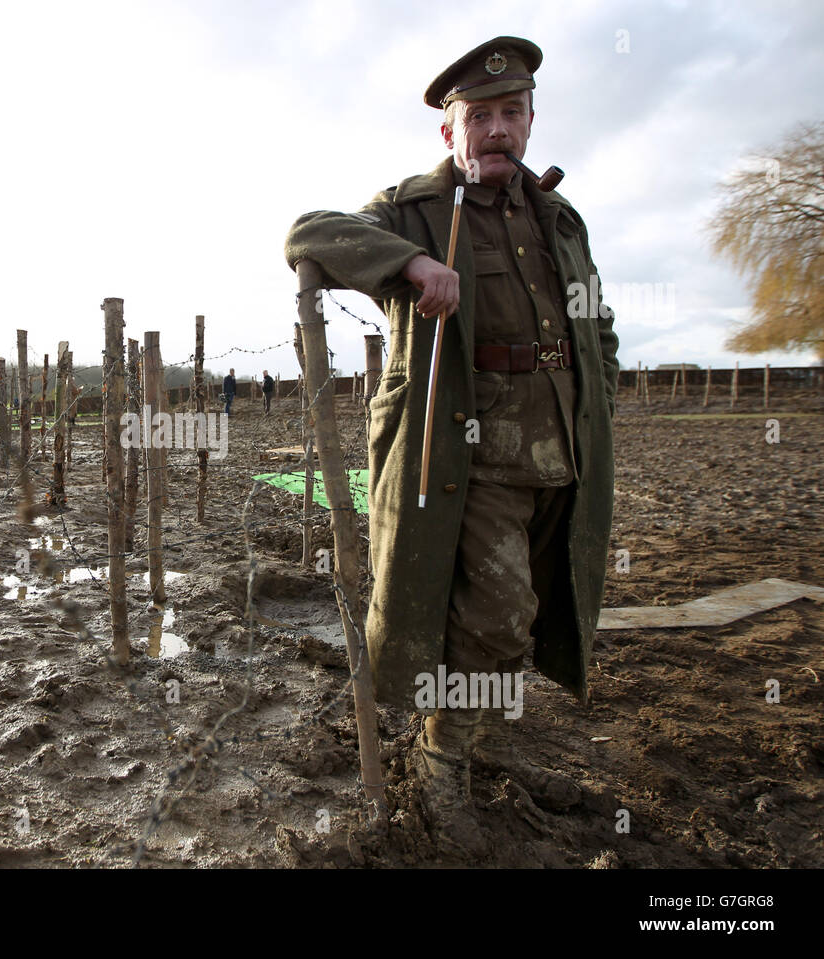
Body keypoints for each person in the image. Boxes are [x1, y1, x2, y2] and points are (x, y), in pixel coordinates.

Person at [284, 36, 618, 858]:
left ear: (532, 121)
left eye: (512, 113)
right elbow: (308, 234)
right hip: (466, 453)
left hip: (562, 452)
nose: (497, 129)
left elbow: (595, 320)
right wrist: (410, 263)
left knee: (531, 611)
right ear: (450, 132)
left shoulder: (559, 217)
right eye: (480, 116)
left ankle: (489, 752)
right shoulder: (417, 208)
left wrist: (598, 385)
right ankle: (438, 766)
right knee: (494, 616)